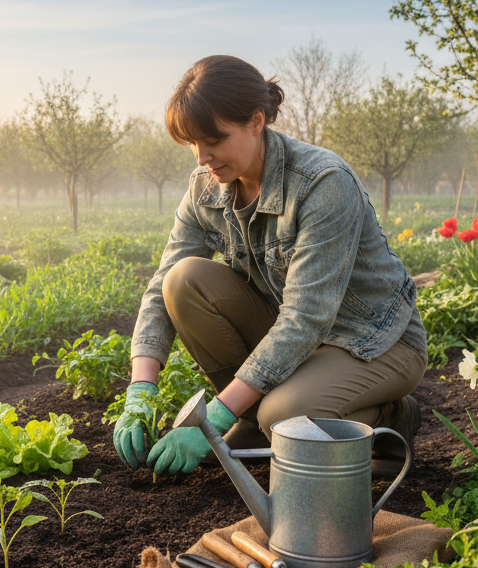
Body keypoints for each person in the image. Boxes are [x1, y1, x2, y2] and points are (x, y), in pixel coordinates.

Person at [114, 55, 427, 476]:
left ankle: (392, 417)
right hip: (298, 336)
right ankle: (255, 419)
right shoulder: (205, 188)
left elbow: (306, 317)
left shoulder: (322, 183)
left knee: (282, 415)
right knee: (182, 280)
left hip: (373, 341)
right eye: (192, 143)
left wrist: (216, 415)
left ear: (256, 121)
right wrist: (140, 389)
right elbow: (160, 286)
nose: (202, 157)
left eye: (214, 140)